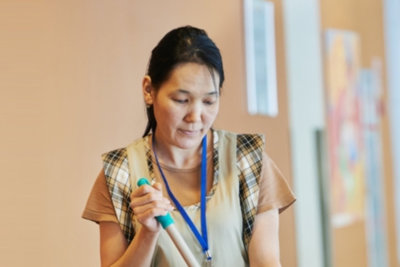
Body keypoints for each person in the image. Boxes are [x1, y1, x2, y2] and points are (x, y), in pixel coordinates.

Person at [82, 25, 295, 267]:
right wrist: (148, 233)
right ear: (149, 90)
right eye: (181, 100)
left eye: (209, 101)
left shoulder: (246, 160)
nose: (195, 116)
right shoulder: (120, 173)